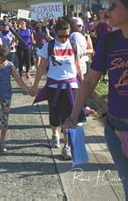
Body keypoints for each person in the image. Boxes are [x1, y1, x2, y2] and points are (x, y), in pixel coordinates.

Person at [64, 0, 128, 200]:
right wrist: (73, 116)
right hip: (117, 131)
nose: (108, 10)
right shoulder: (108, 41)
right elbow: (88, 82)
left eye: (114, 5)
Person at [30, 19, 83, 160]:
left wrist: (83, 84)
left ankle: (67, 145)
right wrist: (35, 85)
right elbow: (41, 67)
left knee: (70, 116)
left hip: (71, 85)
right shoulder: (49, 46)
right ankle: (55, 133)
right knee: (54, 114)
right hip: (53, 85)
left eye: (67, 35)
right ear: (55, 33)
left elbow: (77, 66)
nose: (64, 38)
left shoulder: (74, 45)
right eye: (61, 36)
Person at [0, 44, 30, 154]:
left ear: (6, 57)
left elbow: (18, 79)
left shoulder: (10, 66)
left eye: (0, 59)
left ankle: (2, 141)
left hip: (6, 96)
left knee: (4, 120)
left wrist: (27, 89)